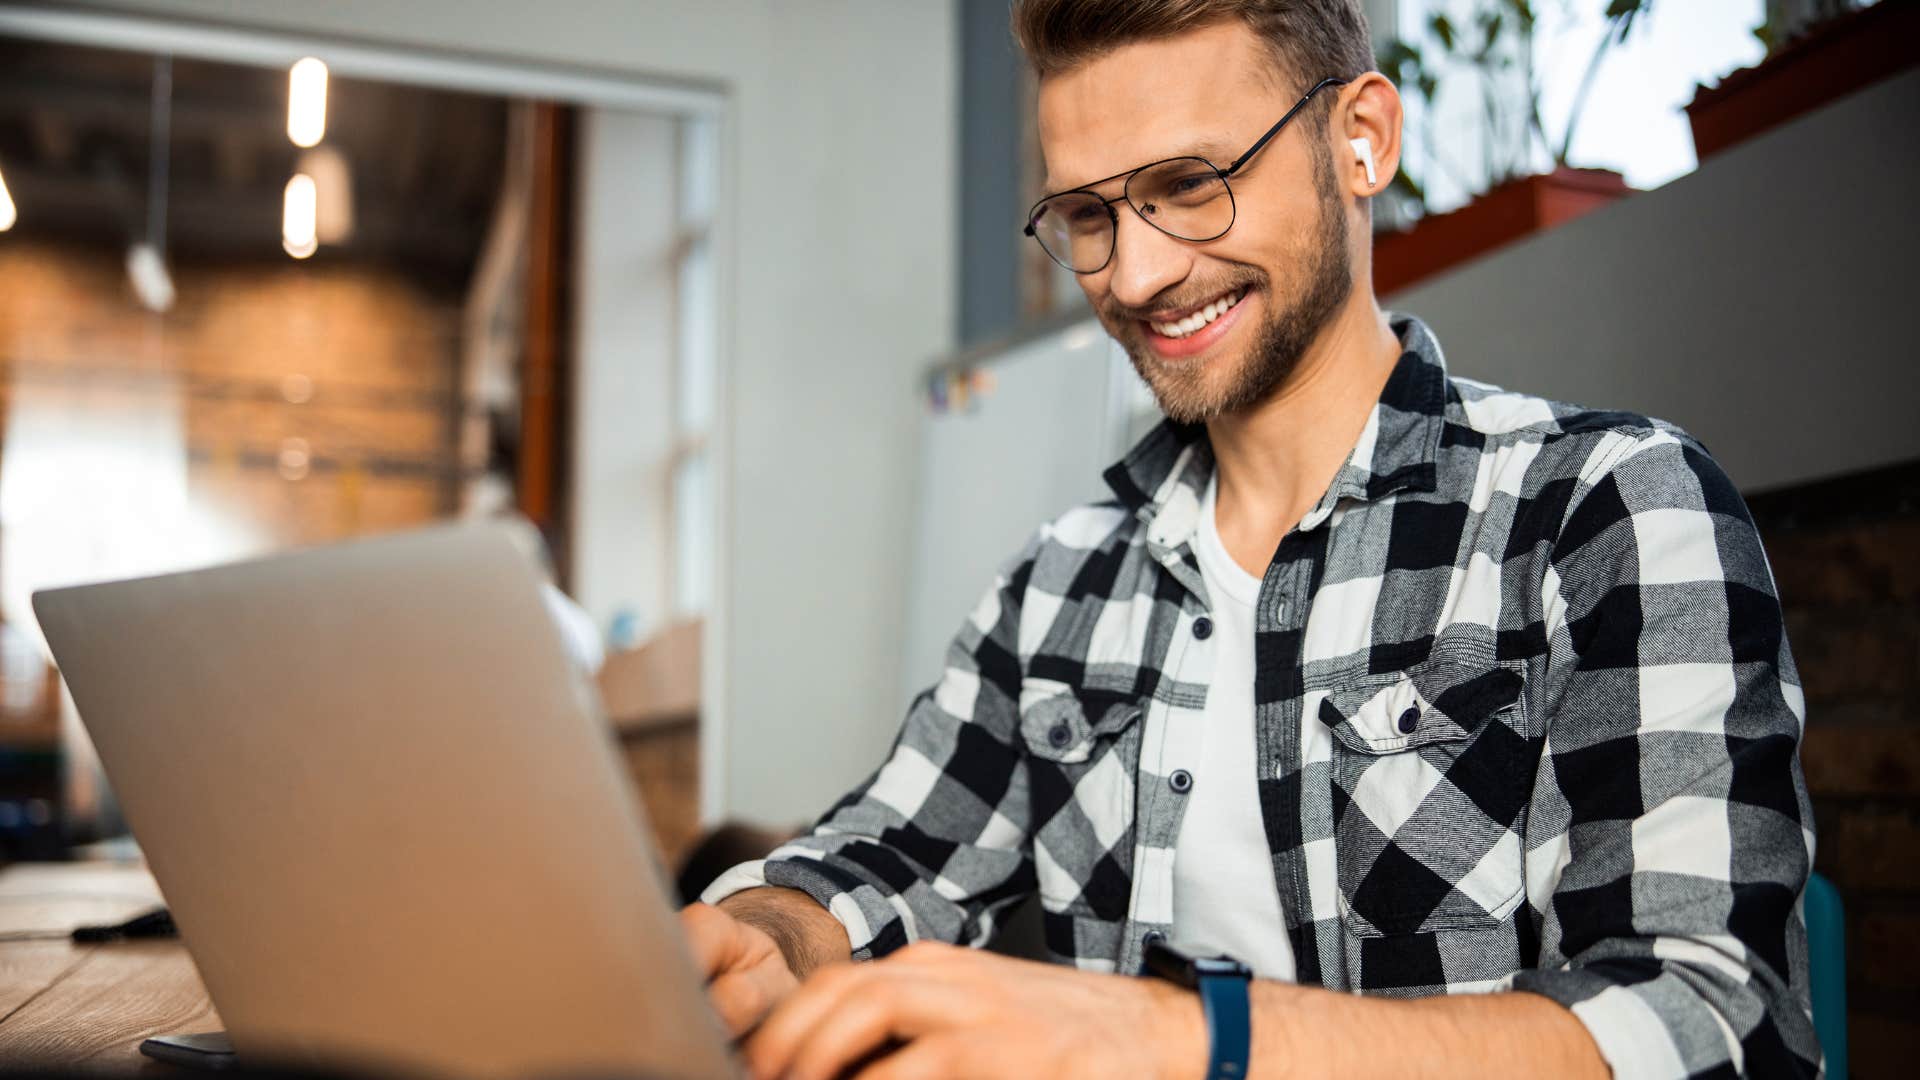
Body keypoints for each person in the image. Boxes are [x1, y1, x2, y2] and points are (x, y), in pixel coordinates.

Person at [680, 2, 1821, 1077]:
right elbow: (884, 855)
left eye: (1190, 184)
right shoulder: (1058, 586)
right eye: (1089, 214)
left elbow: (1712, 1022)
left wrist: (1187, 1040)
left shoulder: (1605, 510)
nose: (1137, 274)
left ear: (1361, 140)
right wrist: (770, 935)